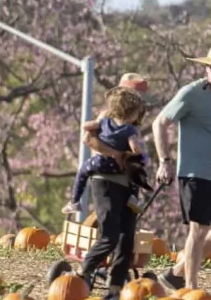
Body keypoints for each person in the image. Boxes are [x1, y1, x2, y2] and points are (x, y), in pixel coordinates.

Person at [153, 40, 211, 291]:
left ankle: (176, 273)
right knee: (199, 228)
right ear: (205, 69)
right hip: (193, 174)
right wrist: (165, 161)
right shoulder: (191, 94)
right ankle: (190, 288)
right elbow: (160, 123)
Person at [75, 86, 149, 300]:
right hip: (105, 182)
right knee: (110, 235)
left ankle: (115, 287)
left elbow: (139, 156)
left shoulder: (131, 128)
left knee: (127, 238)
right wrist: (121, 154)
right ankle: (84, 270)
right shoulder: (105, 120)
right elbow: (88, 138)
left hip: (128, 187)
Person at [62, 86, 148, 216]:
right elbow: (135, 147)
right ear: (131, 113)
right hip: (119, 168)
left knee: (82, 171)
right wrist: (141, 156)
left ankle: (75, 200)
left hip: (100, 163)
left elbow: (86, 127)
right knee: (135, 172)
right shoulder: (130, 130)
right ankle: (134, 197)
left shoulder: (104, 122)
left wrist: (92, 125)